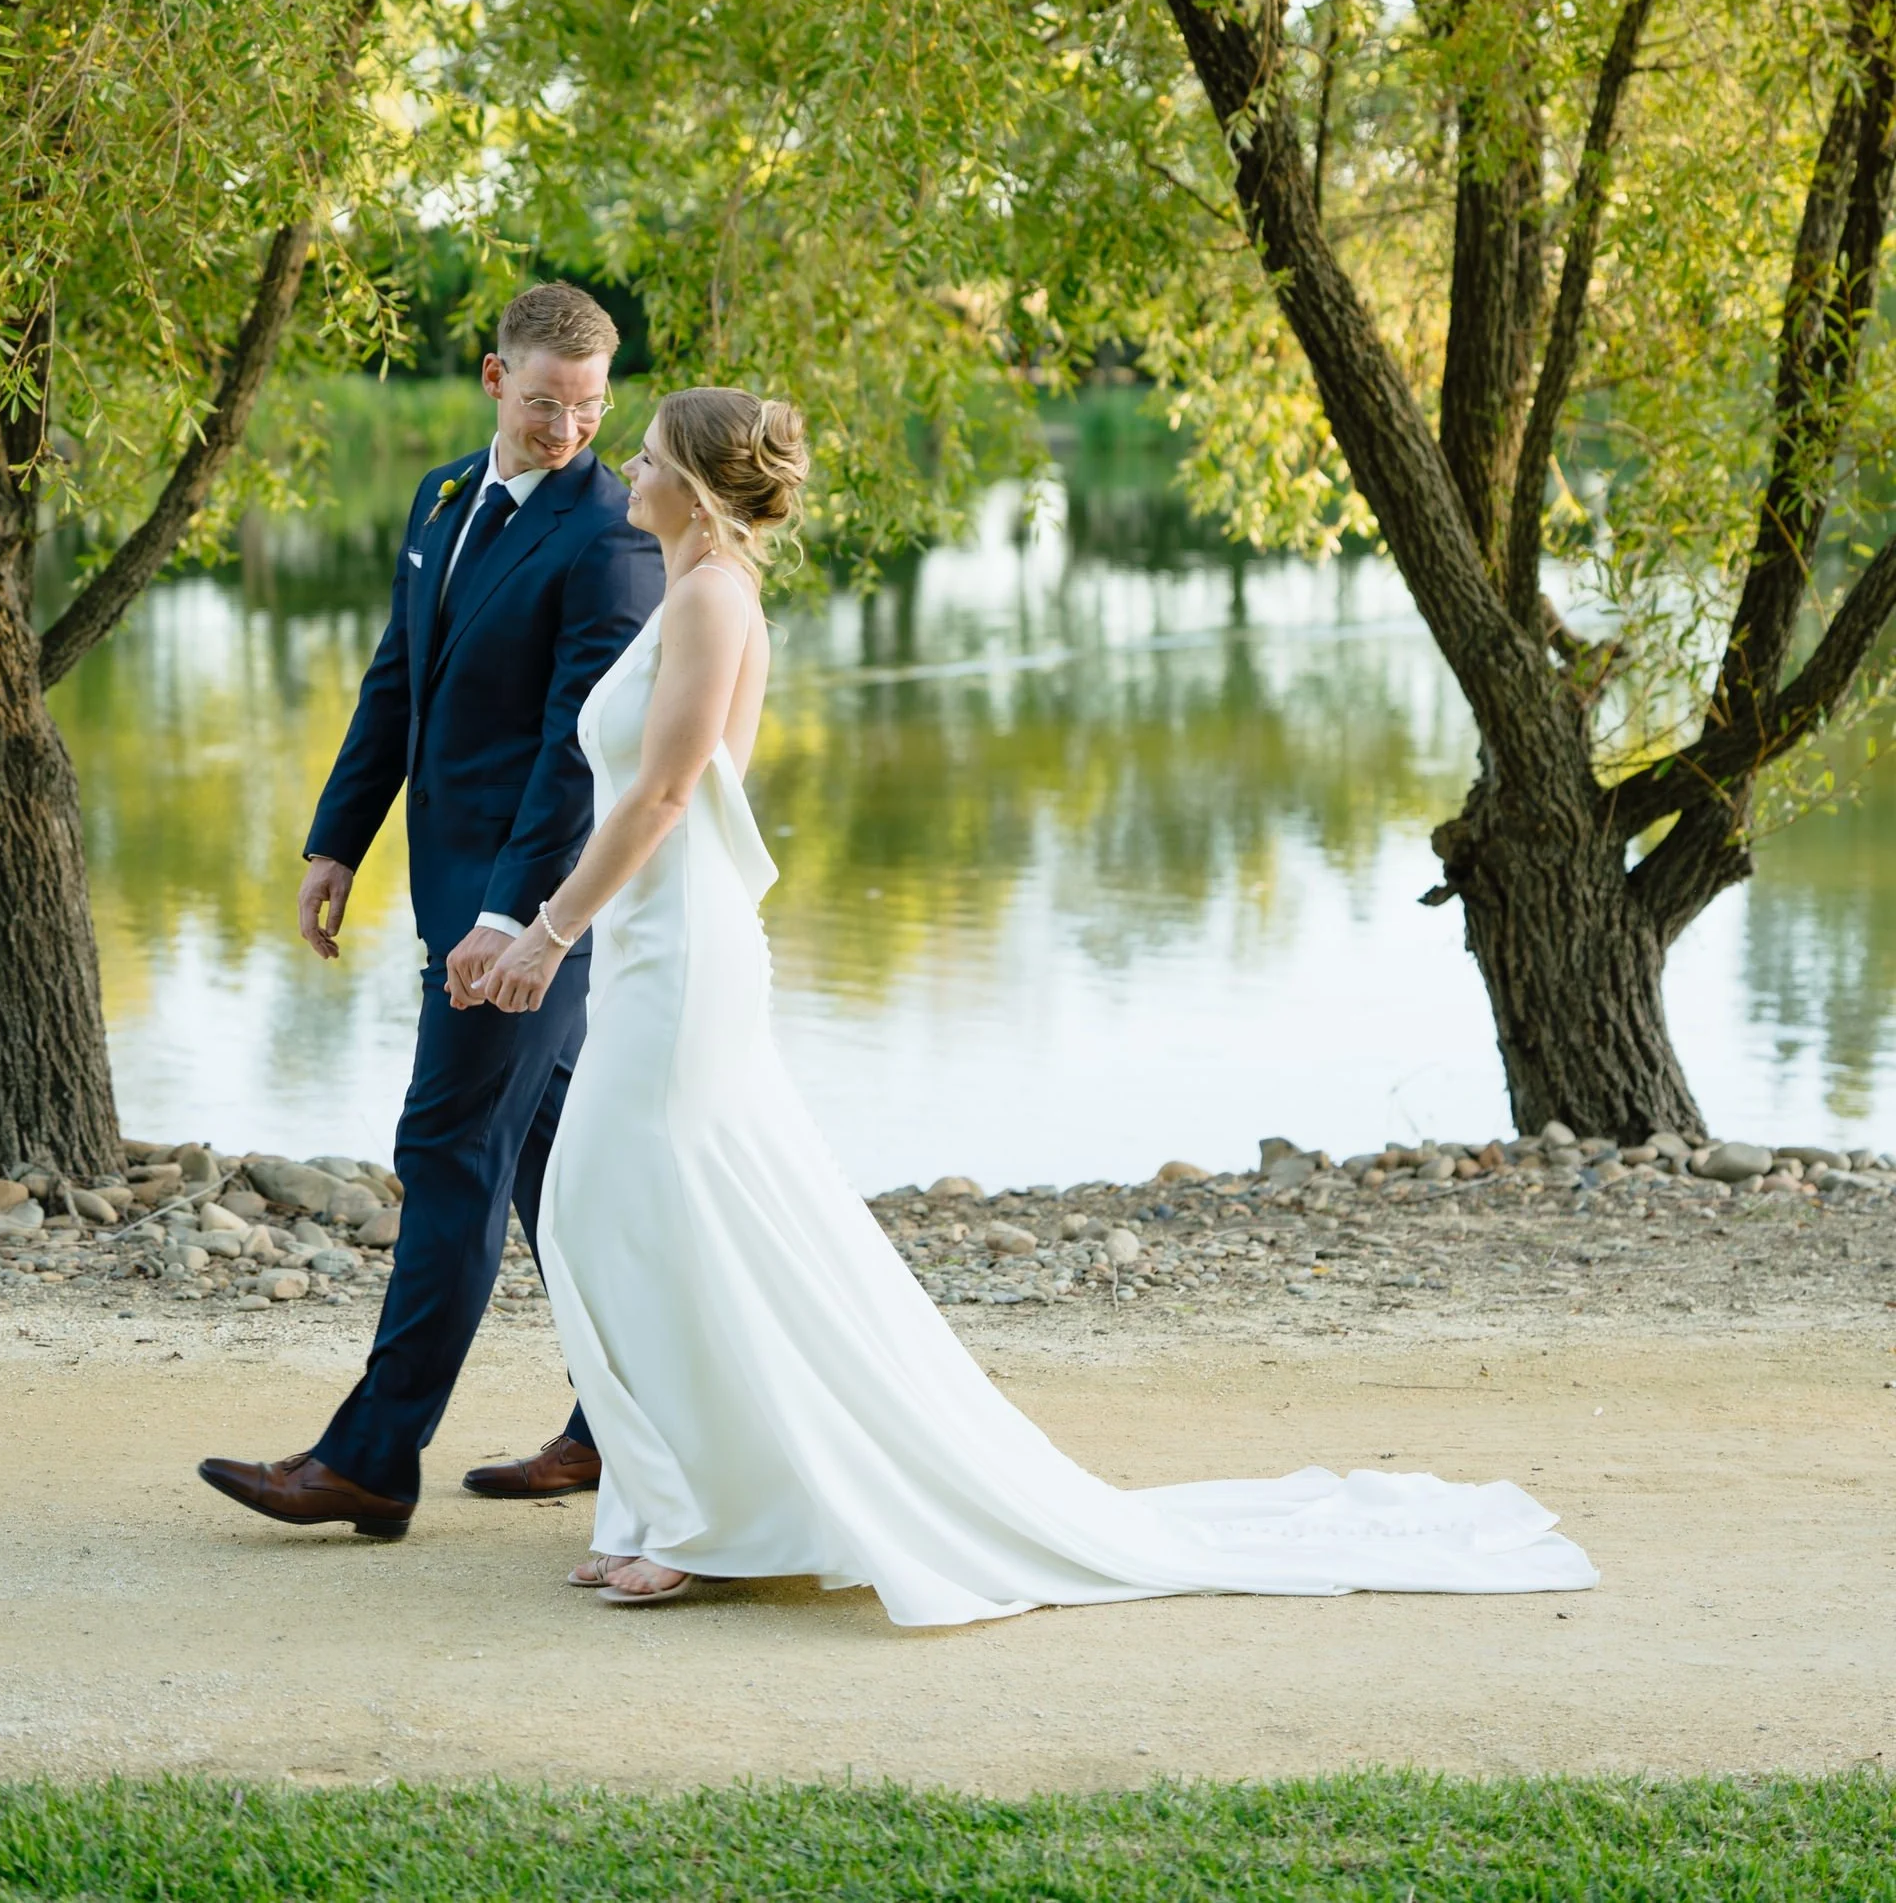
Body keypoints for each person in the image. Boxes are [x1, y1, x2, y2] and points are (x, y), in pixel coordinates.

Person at [449, 388, 1601, 1626]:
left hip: (682, 951)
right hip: (650, 941)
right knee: (625, 1210)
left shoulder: (713, 599)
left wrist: (548, 933)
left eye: (647, 455)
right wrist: (543, 925)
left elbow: (667, 793)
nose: (627, 467)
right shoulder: (689, 595)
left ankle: (705, 1520)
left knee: (621, 1205)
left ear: (692, 485)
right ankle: (668, 1503)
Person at [198, 283, 661, 1540]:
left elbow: (573, 757)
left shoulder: (610, 536)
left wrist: (514, 918)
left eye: (590, 406)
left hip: (525, 916)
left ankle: (369, 1458)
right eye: (546, 401)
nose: (568, 427)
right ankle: (626, 1423)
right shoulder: (443, 495)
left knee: (447, 1149)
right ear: (494, 378)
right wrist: (336, 838)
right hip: (444, 889)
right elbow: (397, 677)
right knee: (556, 1168)